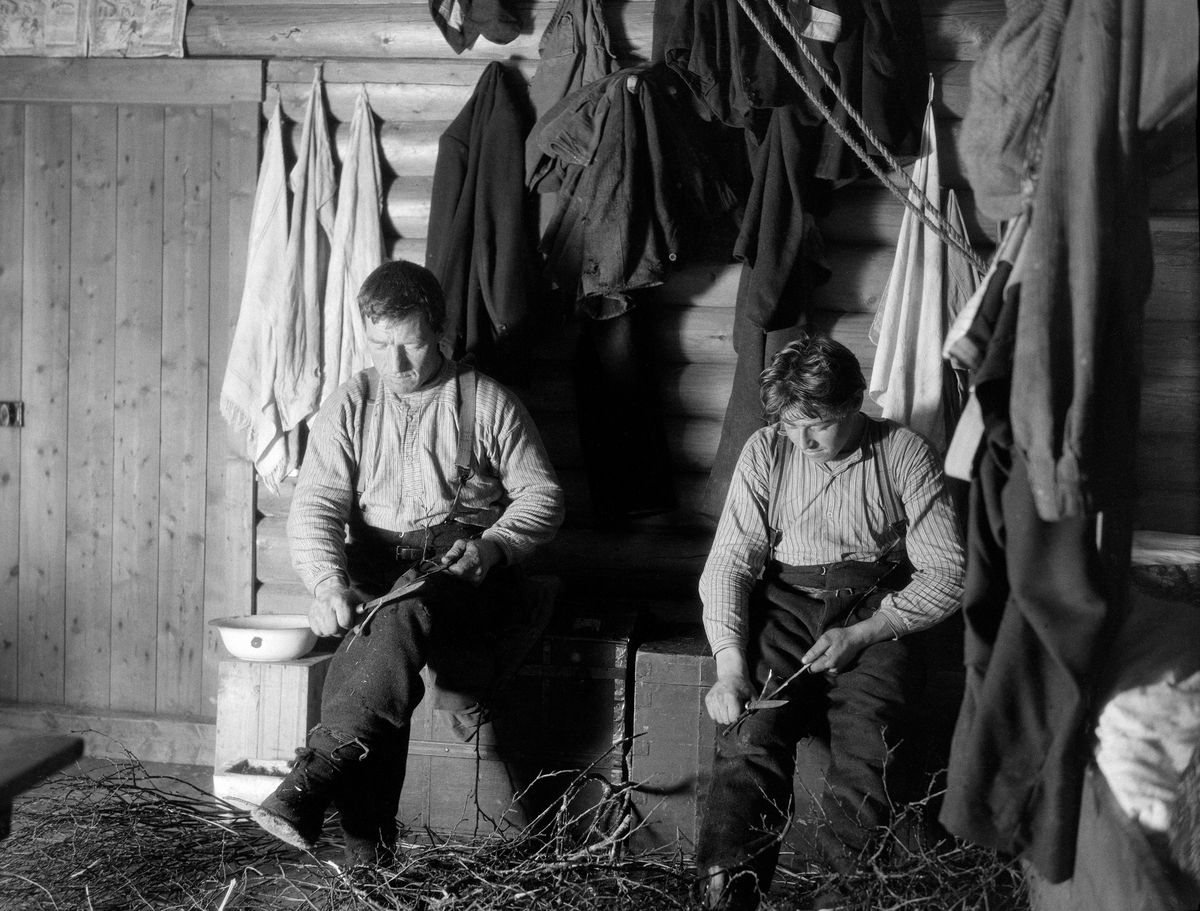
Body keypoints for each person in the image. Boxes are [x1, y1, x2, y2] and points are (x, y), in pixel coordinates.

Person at [251, 260, 565, 867]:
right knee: (379, 651)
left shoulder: (485, 401)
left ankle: (322, 796)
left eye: (411, 345)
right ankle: (369, 859)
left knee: (400, 617)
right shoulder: (351, 403)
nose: (394, 365)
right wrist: (327, 582)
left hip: (463, 575)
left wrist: (495, 546)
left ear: (442, 333)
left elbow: (543, 495)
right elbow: (316, 503)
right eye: (378, 346)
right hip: (375, 574)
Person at [696, 333, 965, 910]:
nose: (803, 440)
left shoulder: (903, 452)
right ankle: (727, 893)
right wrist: (730, 666)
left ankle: (841, 898)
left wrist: (866, 632)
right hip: (789, 600)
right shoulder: (767, 451)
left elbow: (949, 574)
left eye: (816, 423)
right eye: (790, 425)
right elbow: (730, 563)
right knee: (749, 736)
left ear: (855, 402)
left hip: (875, 607)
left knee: (871, 747)